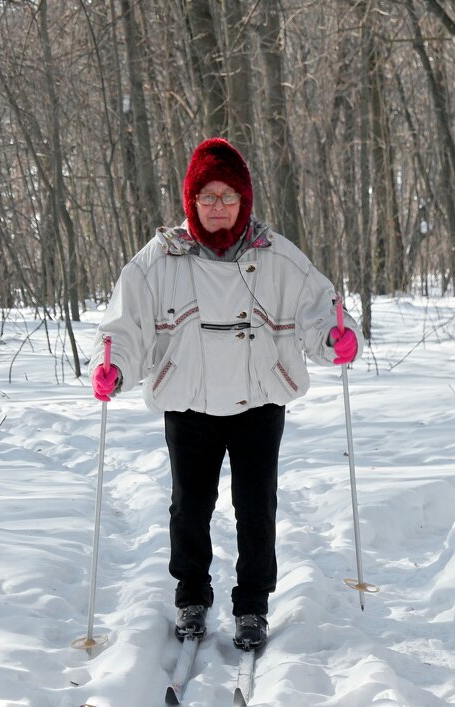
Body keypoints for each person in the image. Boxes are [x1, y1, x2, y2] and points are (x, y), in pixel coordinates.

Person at [90, 138, 359, 651]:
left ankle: (252, 605)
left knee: (256, 506)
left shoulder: (277, 255)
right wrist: (113, 368)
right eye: (208, 196)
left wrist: (336, 338)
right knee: (189, 506)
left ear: (245, 201)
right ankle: (192, 595)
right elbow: (122, 327)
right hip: (188, 401)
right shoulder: (158, 259)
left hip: (259, 399)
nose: (218, 207)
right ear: (191, 201)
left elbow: (322, 309)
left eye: (228, 196)